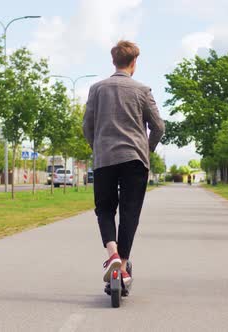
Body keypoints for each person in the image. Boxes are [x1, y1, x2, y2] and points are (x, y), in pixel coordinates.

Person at [83, 40, 165, 286]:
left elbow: (87, 125)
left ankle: (113, 256)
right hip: (134, 160)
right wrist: (146, 149)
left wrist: (97, 147)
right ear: (134, 63)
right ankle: (124, 266)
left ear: (113, 61)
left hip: (105, 158)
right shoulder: (142, 91)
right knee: (130, 212)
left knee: (105, 209)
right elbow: (159, 127)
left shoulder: (97, 89)